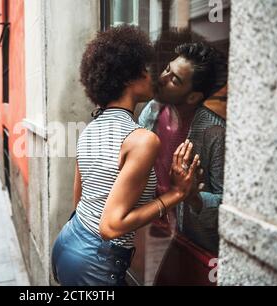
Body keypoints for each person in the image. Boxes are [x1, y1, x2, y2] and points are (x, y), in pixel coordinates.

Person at [51, 25, 200, 286]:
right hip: (96, 262)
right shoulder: (143, 140)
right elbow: (110, 227)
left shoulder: (89, 129)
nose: (152, 74)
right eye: (145, 68)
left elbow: (80, 201)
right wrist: (176, 194)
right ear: (128, 77)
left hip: (67, 243)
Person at [138, 42, 228, 256]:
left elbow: (227, 206)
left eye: (174, 80)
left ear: (193, 97)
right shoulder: (152, 109)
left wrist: (193, 196)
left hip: (189, 246)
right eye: (167, 69)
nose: (162, 78)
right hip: (148, 226)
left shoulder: (215, 133)